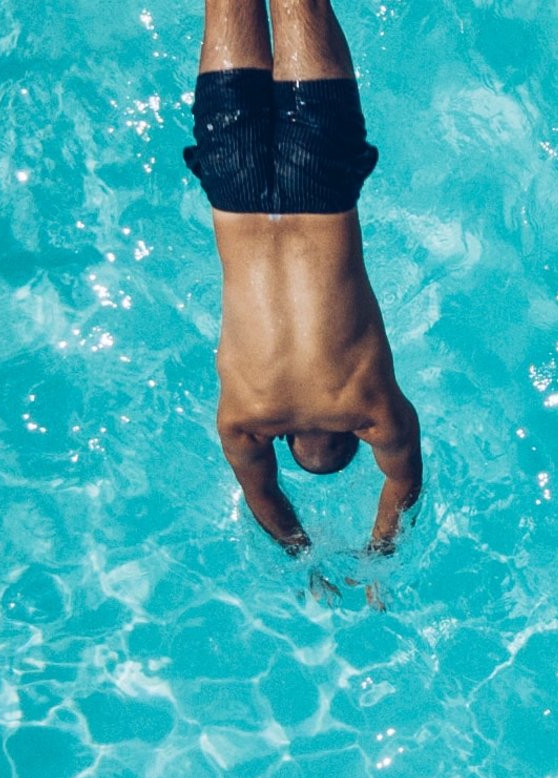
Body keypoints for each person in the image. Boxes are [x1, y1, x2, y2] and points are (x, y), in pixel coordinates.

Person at [185, 0, 422, 555]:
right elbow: (260, 492)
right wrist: (302, 553)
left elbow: (404, 482)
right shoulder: (243, 420)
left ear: (355, 438)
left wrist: (380, 550)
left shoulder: (371, 407)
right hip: (233, 185)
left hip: (321, 184)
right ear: (286, 437)